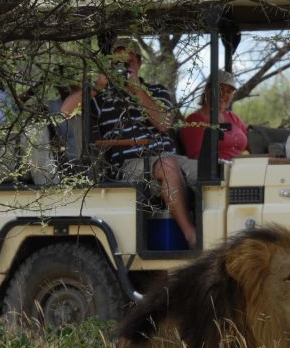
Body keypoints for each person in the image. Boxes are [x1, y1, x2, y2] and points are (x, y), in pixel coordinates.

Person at [60, 39, 196, 248]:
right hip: (130, 163)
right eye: (117, 63)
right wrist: (97, 85)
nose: (123, 67)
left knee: (218, 170)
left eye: (128, 62)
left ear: (139, 64)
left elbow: (164, 124)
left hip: (168, 156)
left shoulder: (156, 91)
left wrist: (138, 91)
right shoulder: (101, 97)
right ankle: (191, 237)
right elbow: (65, 111)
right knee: (167, 166)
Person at [179, 70, 248, 160]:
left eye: (228, 92)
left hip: (242, 167)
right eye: (220, 89)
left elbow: (250, 144)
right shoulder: (195, 120)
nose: (223, 94)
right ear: (207, 90)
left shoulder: (233, 118)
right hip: (219, 171)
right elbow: (197, 158)